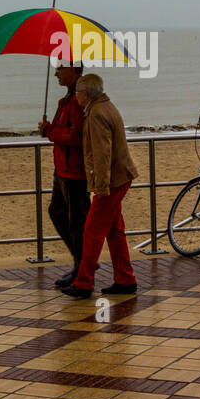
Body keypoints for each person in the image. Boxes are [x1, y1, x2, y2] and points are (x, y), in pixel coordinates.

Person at [61, 74, 139, 299]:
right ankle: (125, 278)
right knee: (114, 231)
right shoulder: (107, 106)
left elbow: (102, 154)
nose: (75, 97)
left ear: (85, 93)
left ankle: (84, 282)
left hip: (112, 181)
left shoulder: (95, 114)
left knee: (92, 231)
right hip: (121, 177)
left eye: (77, 92)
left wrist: (100, 186)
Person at [39, 62, 89, 288]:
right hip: (62, 169)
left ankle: (82, 267)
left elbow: (77, 136)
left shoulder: (79, 101)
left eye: (61, 67)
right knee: (58, 212)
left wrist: (50, 131)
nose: (56, 72)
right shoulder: (66, 100)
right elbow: (63, 130)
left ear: (75, 70)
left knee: (77, 221)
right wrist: (49, 129)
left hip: (74, 172)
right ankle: (81, 262)